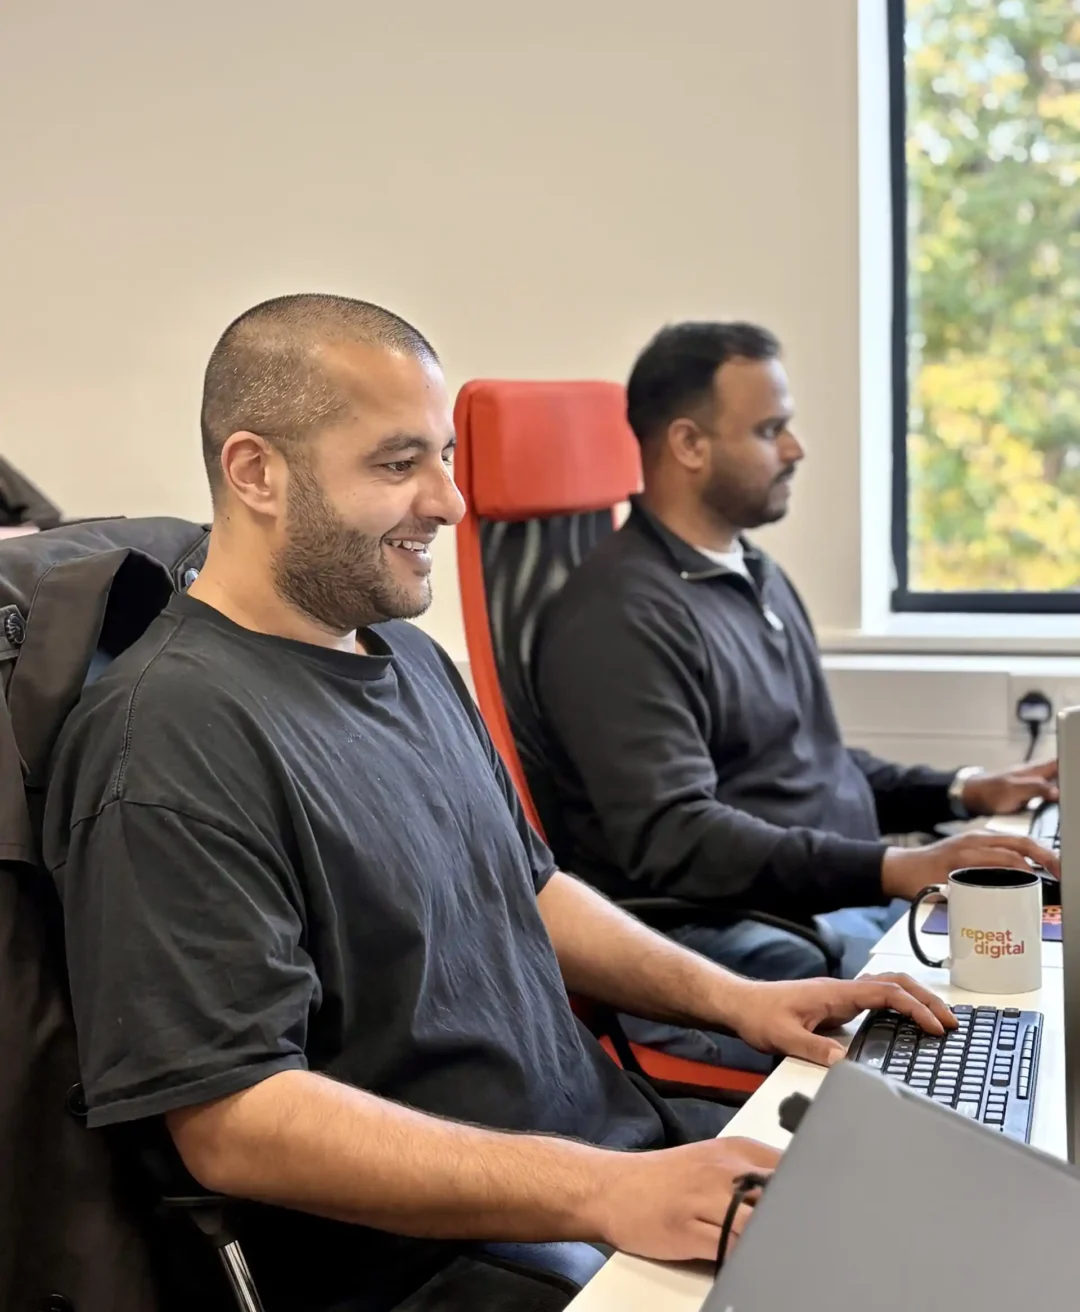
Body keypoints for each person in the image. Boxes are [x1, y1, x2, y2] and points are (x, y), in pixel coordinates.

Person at [42, 297, 956, 1312]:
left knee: (960, 1230)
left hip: (597, 1180)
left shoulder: (408, 660)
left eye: (443, 456)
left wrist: (739, 1000)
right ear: (256, 472)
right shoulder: (167, 735)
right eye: (398, 465)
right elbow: (235, 1121)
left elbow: (532, 889)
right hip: (451, 1265)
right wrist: (606, 1191)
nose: (450, 502)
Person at [532, 321, 1059, 1059]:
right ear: (689, 444)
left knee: (1031, 973)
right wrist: (892, 870)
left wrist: (967, 790)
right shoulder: (618, 616)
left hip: (825, 912)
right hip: (746, 945)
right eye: (771, 429)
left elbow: (816, 764)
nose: (795, 449)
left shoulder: (752, 574)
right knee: (981, 1034)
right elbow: (673, 838)